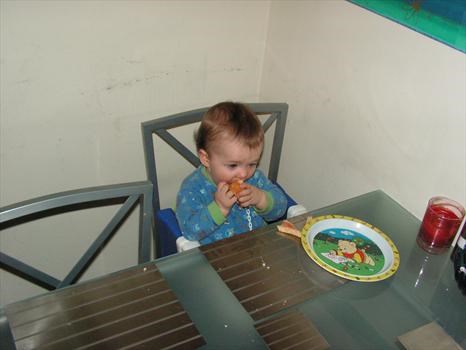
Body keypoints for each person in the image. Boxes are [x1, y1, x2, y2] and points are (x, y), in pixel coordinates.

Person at [176, 101, 288, 245]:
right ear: (206, 159)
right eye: (233, 165)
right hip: (215, 258)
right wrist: (220, 208)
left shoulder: (255, 179)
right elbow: (189, 232)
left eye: (252, 164)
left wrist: (260, 198)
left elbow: (281, 208)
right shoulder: (193, 188)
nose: (243, 174)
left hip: (258, 248)